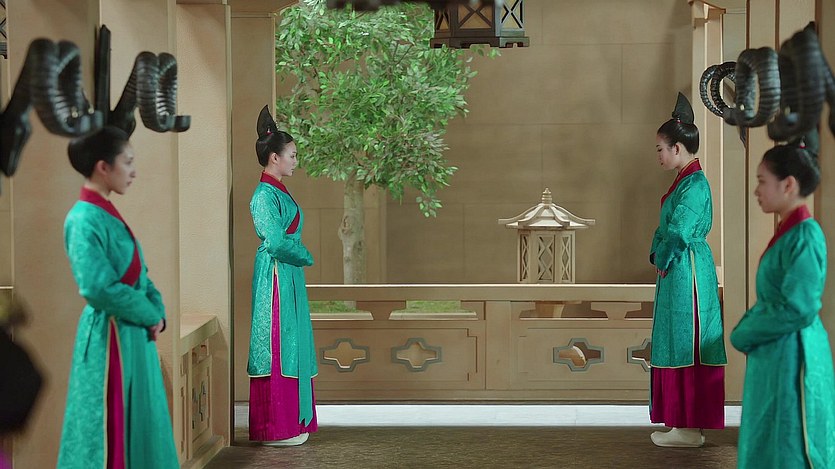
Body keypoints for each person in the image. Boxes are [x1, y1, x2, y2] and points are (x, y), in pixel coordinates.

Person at [57, 126, 178, 468]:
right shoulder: (82, 219)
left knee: (144, 423)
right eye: (128, 162)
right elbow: (99, 288)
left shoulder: (106, 211)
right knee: (115, 428)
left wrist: (158, 312)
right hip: (111, 337)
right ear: (103, 167)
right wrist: (149, 314)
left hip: (134, 334)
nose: (134, 171)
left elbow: (140, 275)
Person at [731, 136, 835, 468]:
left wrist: (745, 332)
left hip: (792, 354)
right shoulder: (790, 232)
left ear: (788, 185)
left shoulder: (806, 235)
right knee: (770, 437)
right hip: (777, 350)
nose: (757, 190)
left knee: (788, 441)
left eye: (762, 181)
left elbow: (797, 308)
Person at [648, 93, 727, 447]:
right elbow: (667, 229)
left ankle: (689, 426)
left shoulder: (694, 185)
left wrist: (662, 257)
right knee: (681, 338)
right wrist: (658, 252)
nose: (659, 155)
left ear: (678, 148)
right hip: (682, 266)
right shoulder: (685, 181)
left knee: (687, 340)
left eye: (661, 149)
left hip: (687, 268)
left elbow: (678, 231)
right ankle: (683, 423)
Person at [247, 106, 317, 446]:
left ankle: (293, 421)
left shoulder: (277, 191)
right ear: (274, 158)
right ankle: (276, 427)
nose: (295, 161)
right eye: (292, 155)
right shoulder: (264, 195)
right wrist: (303, 255)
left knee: (291, 340)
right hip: (275, 275)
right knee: (277, 342)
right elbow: (274, 242)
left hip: (287, 273)